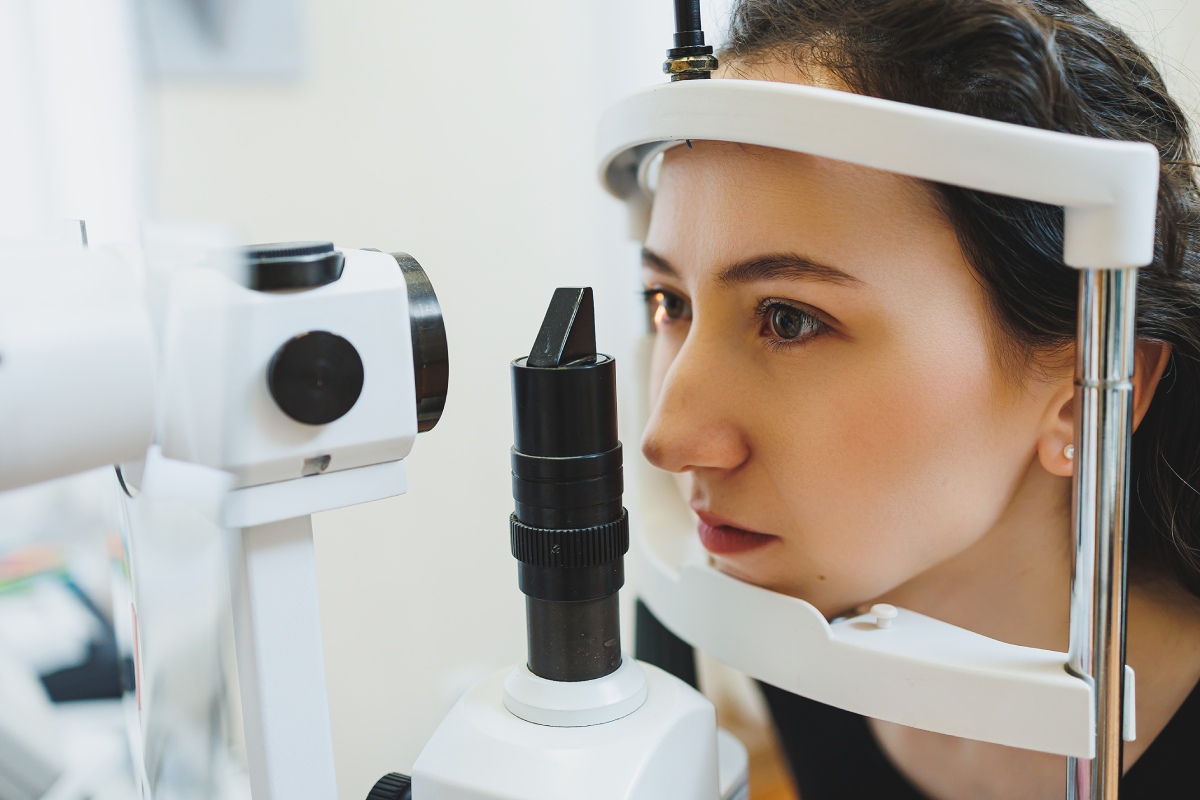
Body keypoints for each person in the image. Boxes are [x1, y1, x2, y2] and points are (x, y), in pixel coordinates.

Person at [636, 0, 1200, 797]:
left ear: (1083, 394)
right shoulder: (794, 629)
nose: (667, 438)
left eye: (789, 319)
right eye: (670, 303)